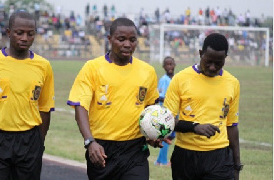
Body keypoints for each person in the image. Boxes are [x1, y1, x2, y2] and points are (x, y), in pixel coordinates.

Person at [67, 17, 161, 180]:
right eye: (121, 39)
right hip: (102, 150)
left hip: (135, 149)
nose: (127, 44)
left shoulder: (148, 71)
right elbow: (80, 106)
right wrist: (90, 142)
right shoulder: (92, 68)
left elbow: (151, 108)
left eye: (132, 40)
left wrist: (152, 134)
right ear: (110, 39)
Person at [0, 11, 55, 179]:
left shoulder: (43, 66)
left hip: (29, 141)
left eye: (30, 33)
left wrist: (39, 142)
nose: (25, 38)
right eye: (19, 33)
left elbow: (45, 108)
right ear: (9, 32)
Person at [164, 33, 242, 180]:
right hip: (186, 155)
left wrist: (237, 165)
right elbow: (167, 121)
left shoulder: (233, 83)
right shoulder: (180, 79)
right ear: (201, 54)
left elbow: (232, 125)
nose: (212, 67)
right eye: (209, 61)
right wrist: (194, 127)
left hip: (219, 156)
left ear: (225, 58)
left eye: (218, 63)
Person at [154, 56, 176, 166]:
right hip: (166, 112)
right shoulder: (164, 80)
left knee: (171, 136)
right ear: (163, 66)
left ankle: (158, 160)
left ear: (174, 65)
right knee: (167, 136)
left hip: (174, 112)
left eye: (171, 64)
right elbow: (160, 97)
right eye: (167, 64)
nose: (169, 66)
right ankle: (162, 161)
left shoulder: (175, 79)